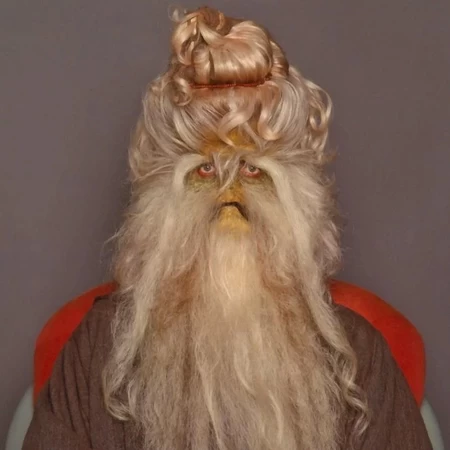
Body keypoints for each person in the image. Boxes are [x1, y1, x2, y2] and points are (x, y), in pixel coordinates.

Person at [23, 6, 432, 450]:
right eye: (205, 171)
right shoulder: (97, 349)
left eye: (253, 170)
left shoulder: (358, 357)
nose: (229, 190)